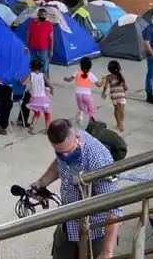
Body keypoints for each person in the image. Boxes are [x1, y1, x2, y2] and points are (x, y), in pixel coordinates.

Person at [32, 119, 122, 259]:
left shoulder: (97, 158)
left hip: (94, 232)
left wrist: (107, 252)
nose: (65, 156)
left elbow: (114, 206)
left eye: (68, 151)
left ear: (78, 138)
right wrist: (41, 183)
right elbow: (60, 164)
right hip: (68, 223)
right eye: (60, 152)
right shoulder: (65, 146)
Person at [63, 57, 103, 126]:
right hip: (87, 95)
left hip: (78, 94)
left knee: (81, 109)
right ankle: (92, 121)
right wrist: (103, 80)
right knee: (91, 110)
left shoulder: (77, 72)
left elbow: (69, 79)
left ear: (80, 65)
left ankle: (80, 120)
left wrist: (65, 78)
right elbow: (99, 85)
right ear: (90, 66)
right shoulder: (90, 75)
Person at [22, 59, 52, 134]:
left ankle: (32, 125)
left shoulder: (31, 75)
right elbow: (50, 85)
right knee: (47, 113)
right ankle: (47, 129)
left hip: (34, 98)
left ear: (31, 68)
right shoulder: (43, 75)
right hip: (43, 98)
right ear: (40, 67)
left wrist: (21, 81)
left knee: (37, 113)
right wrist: (51, 90)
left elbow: (24, 83)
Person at [26, 8, 54, 77]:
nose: (43, 16)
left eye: (44, 15)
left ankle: (46, 83)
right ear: (38, 15)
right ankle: (34, 79)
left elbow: (52, 38)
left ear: (46, 16)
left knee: (45, 67)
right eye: (41, 15)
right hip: (33, 48)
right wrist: (26, 47)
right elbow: (28, 36)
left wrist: (51, 51)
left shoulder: (49, 24)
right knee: (33, 65)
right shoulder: (32, 23)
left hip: (44, 49)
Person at [101, 60, 128, 133]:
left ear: (109, 69)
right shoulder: (121, 76)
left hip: (114, 96)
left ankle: (118, 123)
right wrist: (124, 89)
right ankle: (121, 124)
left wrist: (103, 93)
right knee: (121, 111)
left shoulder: (108, 77)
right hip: (121, 95)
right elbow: (126, 87)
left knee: (116, 109)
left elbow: (105, 87)